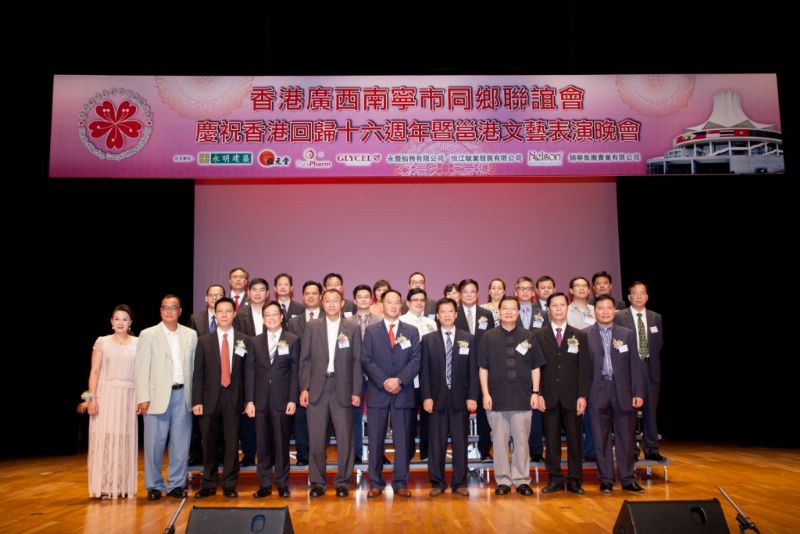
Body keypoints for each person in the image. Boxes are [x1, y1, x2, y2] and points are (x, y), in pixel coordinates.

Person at [299, 289, 362, 498]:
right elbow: (305, 360)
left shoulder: (352, 327)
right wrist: (304, 388)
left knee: (345, 439)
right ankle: (317, 482)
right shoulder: (312, 326)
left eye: (336, 300)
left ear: (342, 303)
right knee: (316, 439)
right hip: (317, 388)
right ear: (322, 303)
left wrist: (356, 391)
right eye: (328, 300)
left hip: (342, 388)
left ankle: (342, 482)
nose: (332, 304)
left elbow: (357, 361)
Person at [478, 296, 543, 496]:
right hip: (496, 397)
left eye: (513, 309)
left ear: (518, 312)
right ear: (499, 312)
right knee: (499, 442)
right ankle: (503, 480)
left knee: (522, 441)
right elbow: (483, 368)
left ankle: (521, 479)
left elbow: (535, 367)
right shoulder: (488, 337)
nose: (508, 312)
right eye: (504, 308)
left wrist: (535, 392)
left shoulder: (529, 336)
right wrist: (485, 394)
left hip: (523, 397)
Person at [134, 295, 197, 501]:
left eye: (173, 307)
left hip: (183, 395)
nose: (169, 311)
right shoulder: (148, 334)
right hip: (156, 397)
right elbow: (141, 368)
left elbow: (195, 368)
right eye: (165, 308)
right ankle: (154, 485)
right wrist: (143, 397)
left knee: (180, 444)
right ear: (160, 311)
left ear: (180, 311)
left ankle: (176, 484)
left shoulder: (191, 334)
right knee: (154, 444)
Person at [362, 289, 421, 498]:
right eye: (389, 302)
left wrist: (399, 380)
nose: (394, 306)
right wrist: (384, 381)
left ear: (401, 305)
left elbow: (416, 360)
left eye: (397, 302)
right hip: (378, 392)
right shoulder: (371, 331)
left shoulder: (411, 331)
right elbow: (366, 359)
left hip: (403, 392)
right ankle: (375, 483)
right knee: (376, 440)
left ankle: (400, 482)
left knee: (403, 441)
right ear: (382, 305)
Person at [193, 297, 253, 499]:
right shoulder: (204, 341)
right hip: (209, 399)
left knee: (231, 443)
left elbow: (248, 374)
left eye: (228, 311)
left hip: (234, 399)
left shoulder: (244, 340)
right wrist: (196, 401)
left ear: (234, 314)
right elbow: (198, 374)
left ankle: (229, 484)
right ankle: (208, 484)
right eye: (220, 311)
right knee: (208, 443)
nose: (225, 315)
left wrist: (248, 400)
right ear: (215, 315)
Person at [585, 294, 645, 493]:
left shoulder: (627, 334)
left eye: (608, 308)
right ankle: (606, 479)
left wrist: (638, 392)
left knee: (626, 438)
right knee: (600, 438)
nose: (604, 312)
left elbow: (635, 365)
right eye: (600, 308)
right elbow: (582, 369)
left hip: (623, 391)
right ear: (594, 311)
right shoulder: (585, 335)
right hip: (597, 390)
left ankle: (628, 479)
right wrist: (583, 394)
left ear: (614, 311)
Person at [534, 292, 590, 495]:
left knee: (575, 441)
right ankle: (555, 479)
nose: (558, 309)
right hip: (548, 396)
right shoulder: (538, 335)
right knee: (551, 441)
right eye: (554, 305)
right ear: (548, 309)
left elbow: (584, 368)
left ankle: (575, 480)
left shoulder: (580, 335)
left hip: (572, 397)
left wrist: (583, 395)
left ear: (567, 307)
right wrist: (538, 393)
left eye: (562, 305)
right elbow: (536, 367)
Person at [421, 298, 478, 497]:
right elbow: (424, 371)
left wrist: (472, 396)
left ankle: (460, 482)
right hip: (436, 399)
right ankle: (437, 482)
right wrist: (426, 396)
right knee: (436, 444)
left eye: (450, 311)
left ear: (456, 314)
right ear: (437, 316)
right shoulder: (428, 339)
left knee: (460, 443)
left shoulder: (468, 338)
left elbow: (473, 370)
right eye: (443, 311)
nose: (447, 315)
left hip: (460, 399)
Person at [245, 302, 299, 499]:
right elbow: (250, 372)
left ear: (282, 317)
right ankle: (265, 485)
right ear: (263, 318)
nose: (271, 318)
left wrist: (292, 399)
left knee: (281, 444)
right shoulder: (254, 341)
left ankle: (283, 485)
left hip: (282, 401)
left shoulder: (292, 340)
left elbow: (295, 373)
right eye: (267, 314)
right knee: (262, 444)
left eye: (275, 314)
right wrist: (249, 401)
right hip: (260, 401)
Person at [87, 304, 138, 499]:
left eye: (124, 319)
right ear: (111, 321)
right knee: (105, 439)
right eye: (117, 319)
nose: (120, 322)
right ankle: (104, 485)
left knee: (124, 440)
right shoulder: (103, 342)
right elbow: (94, 371)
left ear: (130, 322)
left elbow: (141, 373)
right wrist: (92, 398)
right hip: (106, 395)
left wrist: (141, 399)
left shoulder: (138, 343)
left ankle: (121, 485)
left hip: (128, 396)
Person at [615, 281, 665, 461]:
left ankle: (652, 449)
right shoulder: (620, 316)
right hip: (629, 369)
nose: (638, 296)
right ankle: (632, 450)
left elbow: (658, 343)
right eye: (635, 293)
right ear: (629, 297)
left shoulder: (655, 317)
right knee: (630, 413)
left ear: (647, 296)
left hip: (650, 368)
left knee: (650, 412)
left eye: (642, 293)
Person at [455, 278, 495, 462]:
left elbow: (492, 341)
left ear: (478, 294)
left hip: (482, 369)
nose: (469, 294)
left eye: (472, 291)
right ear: (459, 295)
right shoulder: (453, 313)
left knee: (484, 412)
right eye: (465, 291)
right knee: (460, 412)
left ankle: (485, 450)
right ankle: (461, 451)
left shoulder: (486, 314)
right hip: (460, 369)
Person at [286, 280, 323, 466]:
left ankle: (319, 454)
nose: (311, 296)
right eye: (307, 293)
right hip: (300, 373)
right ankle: (302, 454)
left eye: (314, 293)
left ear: (320, 296)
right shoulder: (294, 322)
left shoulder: (330, 318)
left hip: (324, 375)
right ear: (302, 296)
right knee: (301, 418)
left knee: (322, 418)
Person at [187, 284, 226, 465]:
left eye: (219, 295)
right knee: (199, 421)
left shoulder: (229, 318)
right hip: (203, 375)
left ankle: (220, 455)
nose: (215, 297)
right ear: (206, 298)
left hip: (224, 376)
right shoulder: (196, 319)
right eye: (212, 295)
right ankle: (197, 455)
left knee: (222, 423)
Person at [400, 288, 438, 462]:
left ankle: (426, 455)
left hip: (428, 379)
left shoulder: (431, 323)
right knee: (407, 420)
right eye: (415, 300)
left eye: (422, 300)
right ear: (408, 303)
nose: (419, 303)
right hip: (408, 380)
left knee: (428, 418)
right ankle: (407, 456)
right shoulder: (401, 322)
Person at [351, 284, 382, 463]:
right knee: (355, 415)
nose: (363, 300)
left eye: (366, 297)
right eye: (359, 297)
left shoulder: (380, 321)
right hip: (354, 376)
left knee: (377, 416)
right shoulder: (346, 322)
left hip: (376, 375)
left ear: (371, 300)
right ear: (354, 300)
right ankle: (356, 453)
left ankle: (378, 453)